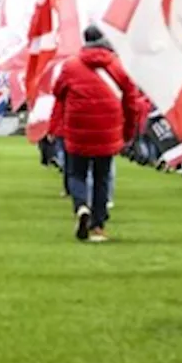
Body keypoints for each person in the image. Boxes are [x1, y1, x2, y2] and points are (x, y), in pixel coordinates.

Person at [51, 26, 142, 242]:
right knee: (102, 176)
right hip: (108, 130)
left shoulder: (71, 66)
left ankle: (81, 205)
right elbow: (132, 103)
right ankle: (98, 225)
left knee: (76, 173)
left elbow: (57, 91)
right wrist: (128, 131)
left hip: (77, 128)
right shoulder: (119, 66)